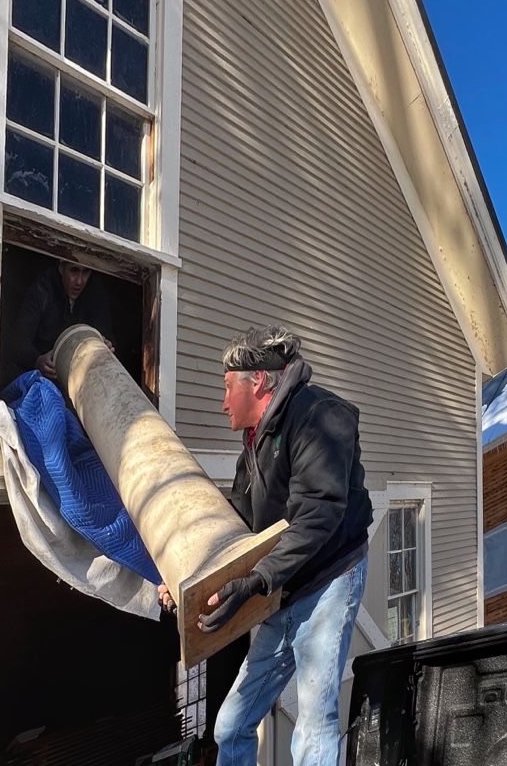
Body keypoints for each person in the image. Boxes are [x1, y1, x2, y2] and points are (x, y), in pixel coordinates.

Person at [158, 324, 372, 766]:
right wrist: (186, 575)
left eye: (226, 388)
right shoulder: (255, 441)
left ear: (256, 381)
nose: (222, 403)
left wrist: (256, 580)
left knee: (313, 727)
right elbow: (237, 518)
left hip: (329, 579)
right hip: (285, 585)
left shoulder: (320, 416)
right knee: (231, 726)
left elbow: (319, 514)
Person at [9, 259, 114, 382]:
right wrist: (38, 360)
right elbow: (19, 342)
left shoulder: (96, 291)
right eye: (74, 270)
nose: (80, 281)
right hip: (40, 377)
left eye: (86, 272)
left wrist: (105, 345)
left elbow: (106, 336)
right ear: (61, 267)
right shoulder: (43, 288)